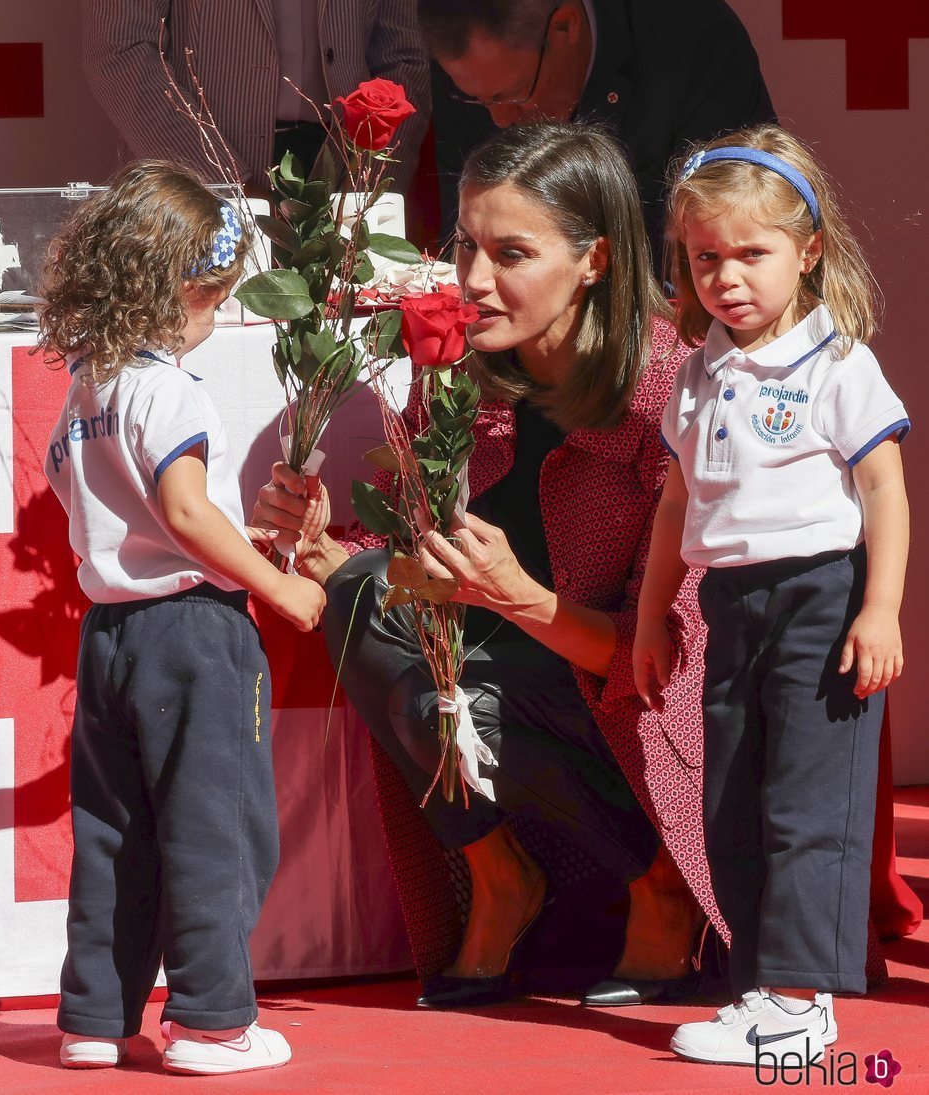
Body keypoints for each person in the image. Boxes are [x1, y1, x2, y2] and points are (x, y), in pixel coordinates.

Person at [254, 120, 719, 1008]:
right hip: (525, 679)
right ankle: (501, 876)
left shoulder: (677, 396)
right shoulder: (463, 374)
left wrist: (525, 600)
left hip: (642, 724)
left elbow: (683, 671)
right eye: (465, 244)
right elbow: (425, 565)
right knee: (357, 596)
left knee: (448, 676)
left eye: (511, 252)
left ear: (596, 260)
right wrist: (328, 549)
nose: (472, 280)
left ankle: (662, 883)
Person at [37, 162, 326, 1075]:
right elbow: (190, 510)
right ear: (189, 289)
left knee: (113, 829)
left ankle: (95, 1012)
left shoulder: (89, 387)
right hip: (195, 630)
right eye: (215, 299)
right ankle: (209, 1020)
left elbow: (64, 488)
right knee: (217, 824)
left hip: (111, 634)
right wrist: (277, 587)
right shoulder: (169, 390)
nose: (214, 318)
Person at [634, 125, 910, 1066]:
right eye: (707, 257)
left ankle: (805, 997)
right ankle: (760, 987)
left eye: (753, 253)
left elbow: (885, 494)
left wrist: (880, 609)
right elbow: (676, 504)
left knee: (808, 803)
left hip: (823, 599)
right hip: (730, 605)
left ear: (810, 250)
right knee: (732, 799)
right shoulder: (697, 372)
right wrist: (649, 619)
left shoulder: (839, 366)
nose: (729, 277)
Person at [419, 0, 774, 256]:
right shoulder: (465, 67)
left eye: (514, 95)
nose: (499, 120)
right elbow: (464, 227)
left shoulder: (693, 39)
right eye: (479, 101)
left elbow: (738, 224)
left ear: (567, 25)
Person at [82, 2, 431, 194]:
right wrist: (221, 183)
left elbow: (403, 61)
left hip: (342, 167)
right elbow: (120, 52)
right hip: (196, 168)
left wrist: (367, 191)